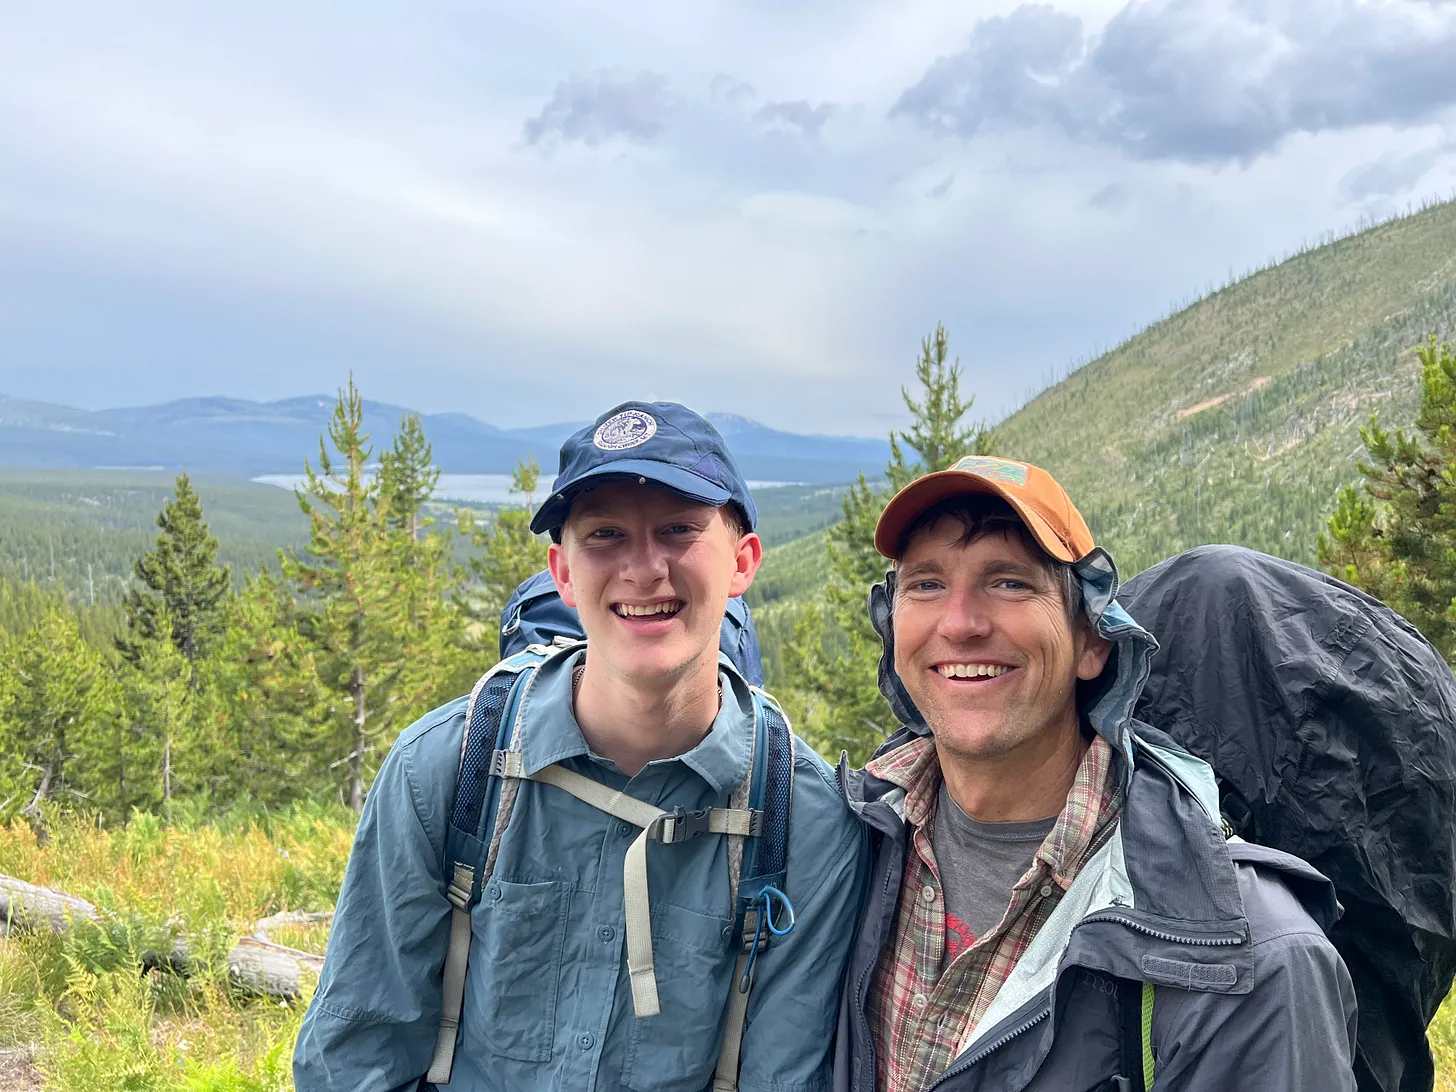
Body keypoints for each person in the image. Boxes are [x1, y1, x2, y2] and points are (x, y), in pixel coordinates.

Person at [295, 401, 868, 1092]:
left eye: (679, 530)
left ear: (742, 562)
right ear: (563, 573)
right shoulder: (445, 770)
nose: (644, 568)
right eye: (605, 535)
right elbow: (355, 1059)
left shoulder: (804, 820)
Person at [833, 455, 1357, 1092]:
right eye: (925, 584)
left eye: (1010, 583)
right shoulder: (847, 840)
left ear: (1092, 642)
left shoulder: (1249, 962)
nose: (960, 623)